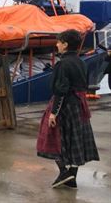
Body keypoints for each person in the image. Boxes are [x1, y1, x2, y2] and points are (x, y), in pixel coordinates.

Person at [36, 29, 99, 189]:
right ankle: (72, 177)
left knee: (54, 137)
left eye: (59, 42)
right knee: (75, 139)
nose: (56, 44)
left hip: (65, 105)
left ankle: (65, 171)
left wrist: (53, 113)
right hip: (80, 104)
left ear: (65, 44)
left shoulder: (62, 64)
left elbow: (61, 90)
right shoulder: (81, 62)